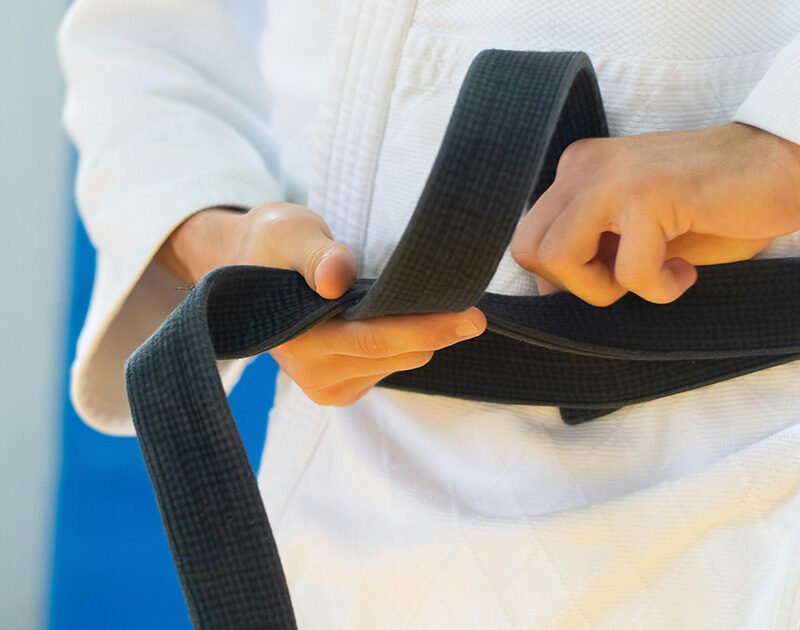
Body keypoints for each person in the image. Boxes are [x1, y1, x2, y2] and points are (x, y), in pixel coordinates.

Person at [58, 1, 800, 627]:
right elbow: (145, 40)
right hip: (342, 497)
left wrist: (782, 151)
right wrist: (220, 236)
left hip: (750, 469)